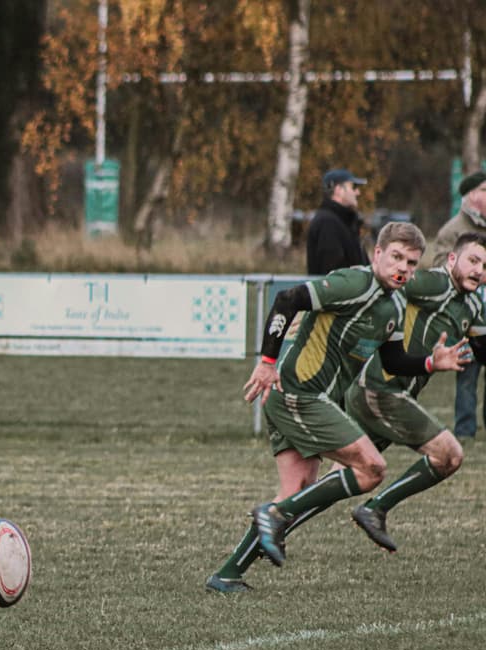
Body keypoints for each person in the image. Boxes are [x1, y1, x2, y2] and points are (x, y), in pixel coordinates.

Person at [205, 222, 468, 593]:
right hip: (297, 394)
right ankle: (274, 516)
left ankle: (228, 575)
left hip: (310, 400)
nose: (403, 269)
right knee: (371, 467)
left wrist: (430, 363)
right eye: (396, 257)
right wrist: (266, 362)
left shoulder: (392, 304)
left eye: (411, 263)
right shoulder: (354, 283)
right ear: (377, 254)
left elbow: (393, 361)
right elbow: (287, 300)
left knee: (297, 491)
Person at [342, 232, 486, 552]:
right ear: (452, 259)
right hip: (380, 387)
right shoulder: (435, 284)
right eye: (473, 260)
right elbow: (385, 280)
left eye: (485, 265)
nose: (479, 270)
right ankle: (375, 508)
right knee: (449, 454)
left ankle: (274, 520)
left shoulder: (473, 302)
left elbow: (483, 348)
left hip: (396, 393)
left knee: (348, 476)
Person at [427, 171, 486, 441]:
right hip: (467, 313)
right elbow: (441, 269)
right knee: (467, 373)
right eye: (485, 190)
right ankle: (465, 431)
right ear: (472, 195)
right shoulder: (453, 230)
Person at [305, 168, 368, 275]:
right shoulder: (327, 224)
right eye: (353, 187)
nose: (358, 192)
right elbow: (331, 275)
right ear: (339, 190)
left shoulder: (344, 222)